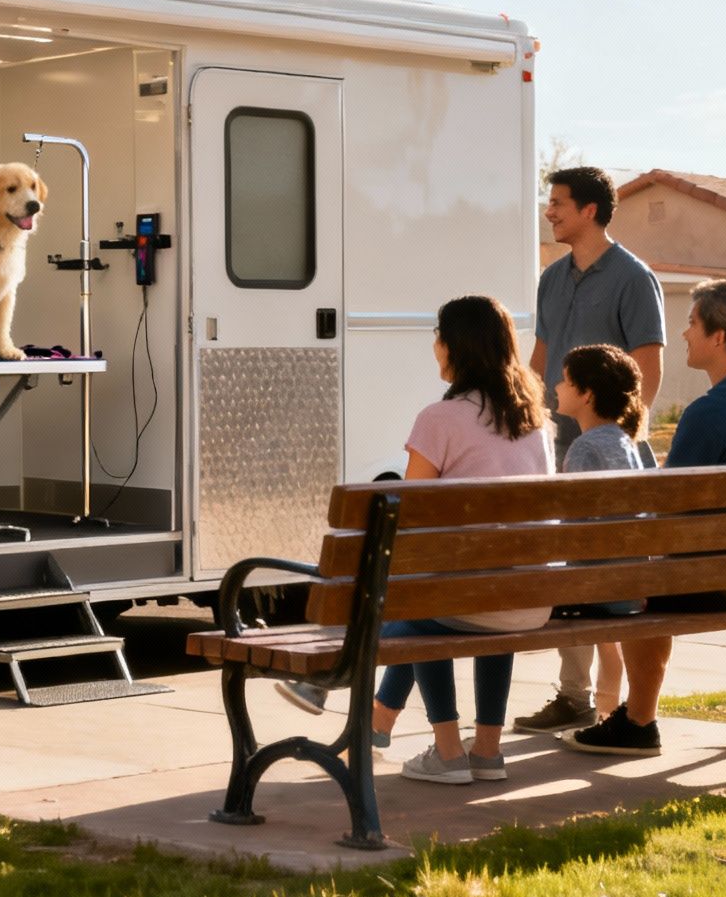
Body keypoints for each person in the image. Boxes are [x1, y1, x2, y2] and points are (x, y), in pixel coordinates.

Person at [276, 294, 551, 786]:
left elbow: (409, 517)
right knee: (473, 585)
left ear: (454, 347)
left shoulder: (439, 419)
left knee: (416, 601)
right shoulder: (534, 424)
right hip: (529, 598)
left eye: (438, 338)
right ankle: (486, 751)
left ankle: (446, 752)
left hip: (465, 599)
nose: (435, 347)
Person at [564, 278, 726, 757]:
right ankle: (635, 717)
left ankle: (637, 722)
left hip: (722, 577)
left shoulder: (710, 412)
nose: (684, 333)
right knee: (652, 571)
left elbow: (664, 512)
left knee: (634, 576)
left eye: (693, 323)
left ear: (719, 338)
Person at [514, 166, 666, 736]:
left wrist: (618, 438)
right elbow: (539, 360)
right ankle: (574, 697)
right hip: (558, 448)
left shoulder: (633, 277)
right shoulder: (551, 279)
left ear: (591, 211)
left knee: (610, 580)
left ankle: (615, 705)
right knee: (568, 569)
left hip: (609, 456)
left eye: (558, 203)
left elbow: (647, 371)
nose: (549, 212)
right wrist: (521, 422)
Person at [555, 343, 649, 718]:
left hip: (596, 587)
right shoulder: (628, 443)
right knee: (609, 639)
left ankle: (595, 712)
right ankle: (608, 715)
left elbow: (573, 532)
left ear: (586, 394)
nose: (556, 388)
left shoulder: (583, 449)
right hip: (631, 584)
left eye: (564, 381)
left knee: (570, 590)